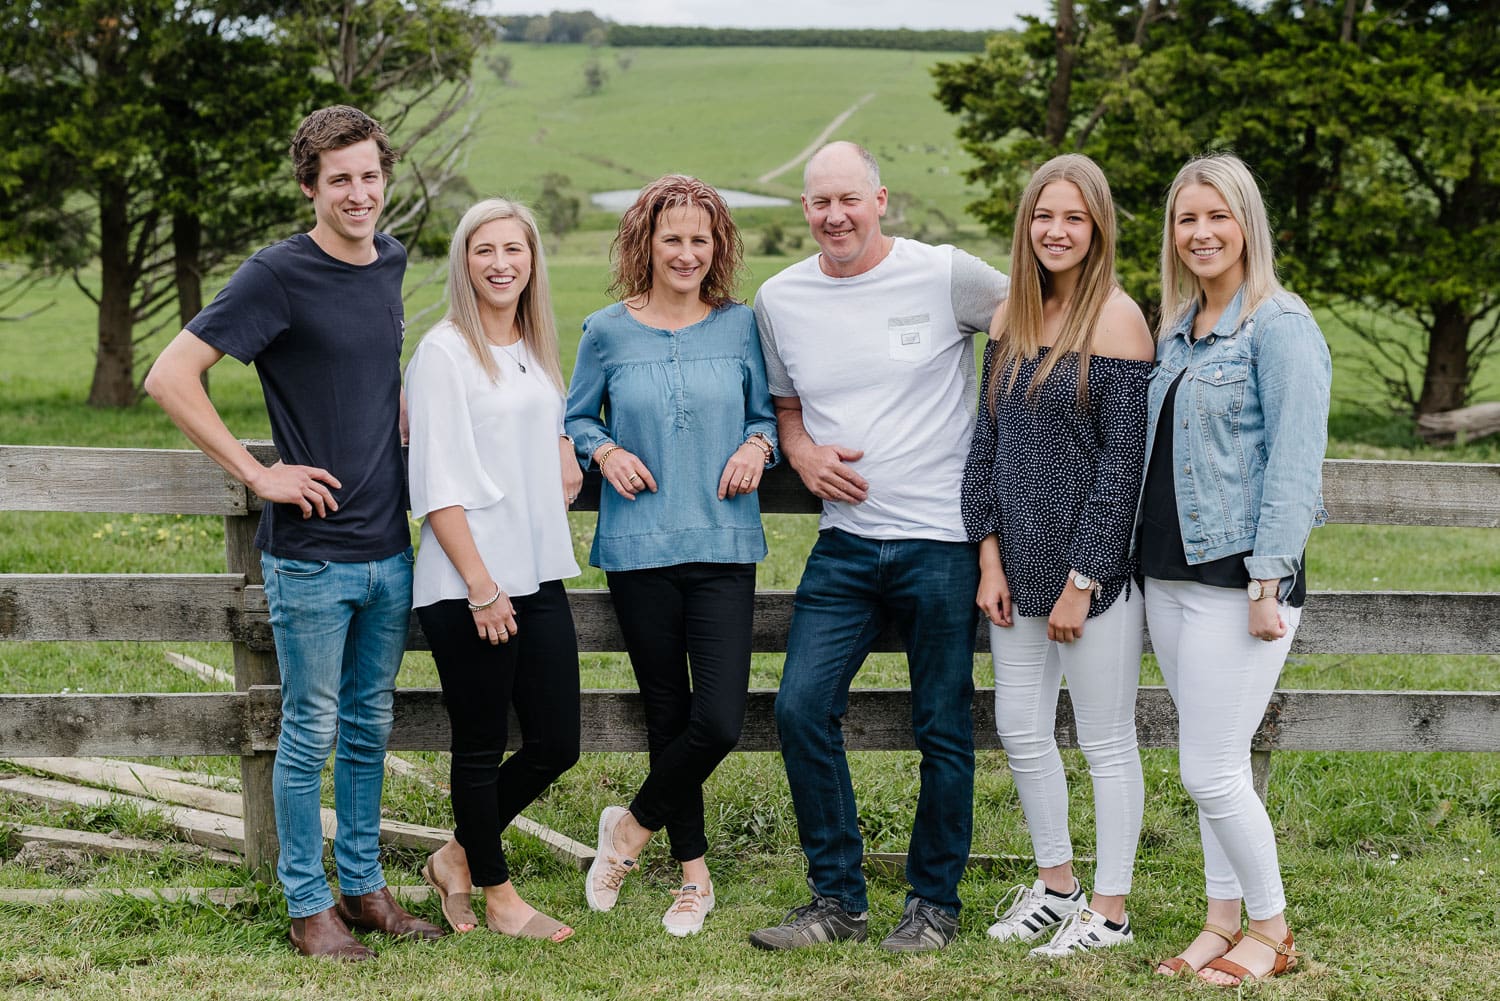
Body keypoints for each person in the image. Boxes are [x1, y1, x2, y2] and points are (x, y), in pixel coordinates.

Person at [144, 105, 442, 959]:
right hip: (311, 555)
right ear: (310, 186)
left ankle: (366, 890)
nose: (358, 193)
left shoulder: (388, 259)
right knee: (309, 726)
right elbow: (171, 375)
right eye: (339, 179)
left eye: (369, 176)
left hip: (391, 545)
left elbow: (361, 371)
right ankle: (308, 907)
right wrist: (258, 472)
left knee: (370, 721)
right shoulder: (275, 274)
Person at [747, 141, 1008, 953]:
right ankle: (838, 901)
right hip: (846, 547)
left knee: (942, 723)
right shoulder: (779, 297)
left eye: (849, 199)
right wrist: (800, 451)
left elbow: (1045, 316)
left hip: (940, 541)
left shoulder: (945, 275)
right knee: (798, 707)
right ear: (805, 210)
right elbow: (787, 407)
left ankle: (934, 904)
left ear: (881, 199)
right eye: (820, 202)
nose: (835, 216)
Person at [565, 175, 777, 937]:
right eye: (672, 238)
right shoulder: (604, 331)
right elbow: (576, 414)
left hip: (723, 541)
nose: (686, 252)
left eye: (700, 239)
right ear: (645, 244)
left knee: (718, 719)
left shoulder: (742, 326)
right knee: (668, 712)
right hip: (638, 546)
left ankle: (626, 834)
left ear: (717, 246)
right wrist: (605, 447)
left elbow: (771, 414)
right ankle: (694, 878)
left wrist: (759, 443)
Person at [1141, 153, 1329, 986]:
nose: (1202, 233)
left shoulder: (1280, 326)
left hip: (1239, 585)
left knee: (1210, 769)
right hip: (1168, 580)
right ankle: (1221, 921)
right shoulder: (1175, 329)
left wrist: (1268, 581)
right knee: (1211, 760)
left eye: (1217, 216)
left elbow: (1294, 463)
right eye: (1188, 219)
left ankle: (1273, 928)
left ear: (1247, 223)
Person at [960, 154, 1153, 958]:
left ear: (1097, 226)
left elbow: (1122, 469)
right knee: (1020, 727)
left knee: (1106, 740)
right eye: (1044, 216)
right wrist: (989, 556)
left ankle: (1109, 909)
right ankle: (1056, 884)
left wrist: (1085, 578)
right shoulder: (1009, 317)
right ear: (1026, 225)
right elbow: (988, 447)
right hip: (1015, 569)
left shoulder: (1118, 320)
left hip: (1090, 579)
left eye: (1074, 217)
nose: (1057, 231)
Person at [406, 198, 583, 943]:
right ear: (463, 262)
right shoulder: (444, 352)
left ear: (533, 260)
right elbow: (436, 480)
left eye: (515, 248)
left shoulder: (535, 348)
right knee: (479, 743)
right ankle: (500, 893)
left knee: (556, 740)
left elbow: (548, 440)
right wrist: (481, 585)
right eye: (485, 250)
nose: (501, 262)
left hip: (537, 573)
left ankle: (454, 855)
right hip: (468, 579)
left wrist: (568, 456)